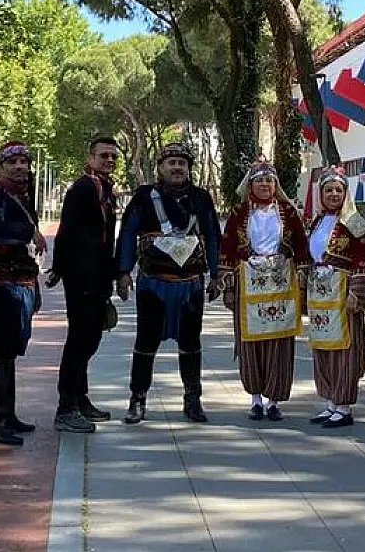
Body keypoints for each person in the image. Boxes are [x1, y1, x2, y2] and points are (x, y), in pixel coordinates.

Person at [116, 142, 223, 424]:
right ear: (160, 167)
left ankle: (193, 399)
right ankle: (137, 399)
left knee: (191, 342)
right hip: (154, 283)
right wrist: (124, 271)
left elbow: (212, 235)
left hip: (190, 284)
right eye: (171, 162)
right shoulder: (143, 197)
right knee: (146, 341)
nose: (177, 167)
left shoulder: (201, 198)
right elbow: (127, 233)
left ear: (189, 168)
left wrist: (216, 273)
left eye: (182, 163)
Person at [219, 159, 310, 421]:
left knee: (279, 342)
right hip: (247, 285)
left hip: (282, 285)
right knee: (250, 342)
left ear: (275, 185)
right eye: (259, 180)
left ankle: (274, 401)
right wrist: (227, 285)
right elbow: (227, 249)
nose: (264, 185)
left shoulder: (289, 212)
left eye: (269, 180)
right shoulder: (238, 213)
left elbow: (302, 247)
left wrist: (302, 277)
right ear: (250, 184)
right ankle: (255, 399)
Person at [0, 141, 48, 446]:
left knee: (12, 350)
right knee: (0, 350)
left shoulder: (24, 199)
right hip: (1, 284)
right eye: (12, 162)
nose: (20, 167)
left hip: (24, 282)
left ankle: (9, 413)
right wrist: (28, 231)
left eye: (23, 162)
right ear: (0, 167)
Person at [48, 137, 122, 433]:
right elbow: (66, 230)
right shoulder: (82, 188)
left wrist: (113, 272)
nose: (109, 160)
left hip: (99, 275)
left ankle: (80, 398)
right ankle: (65, 408)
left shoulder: (106, 189)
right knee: (80, 340)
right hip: (81, 276)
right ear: (90, 157)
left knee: (92, 338)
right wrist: (60, 268)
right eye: (103, 155)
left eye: (113, 156)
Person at [301, 166, 365, 429]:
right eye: (328, 190)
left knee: (345, 348)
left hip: (343, 292)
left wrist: (356, 291)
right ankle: (330, 401)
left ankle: (344, 405)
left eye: (338, 190)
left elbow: (363, 260)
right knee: (322, 346)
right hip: (320, 295)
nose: (333, 194)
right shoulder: (319, 221)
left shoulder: (354, 222)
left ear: (346, 193)